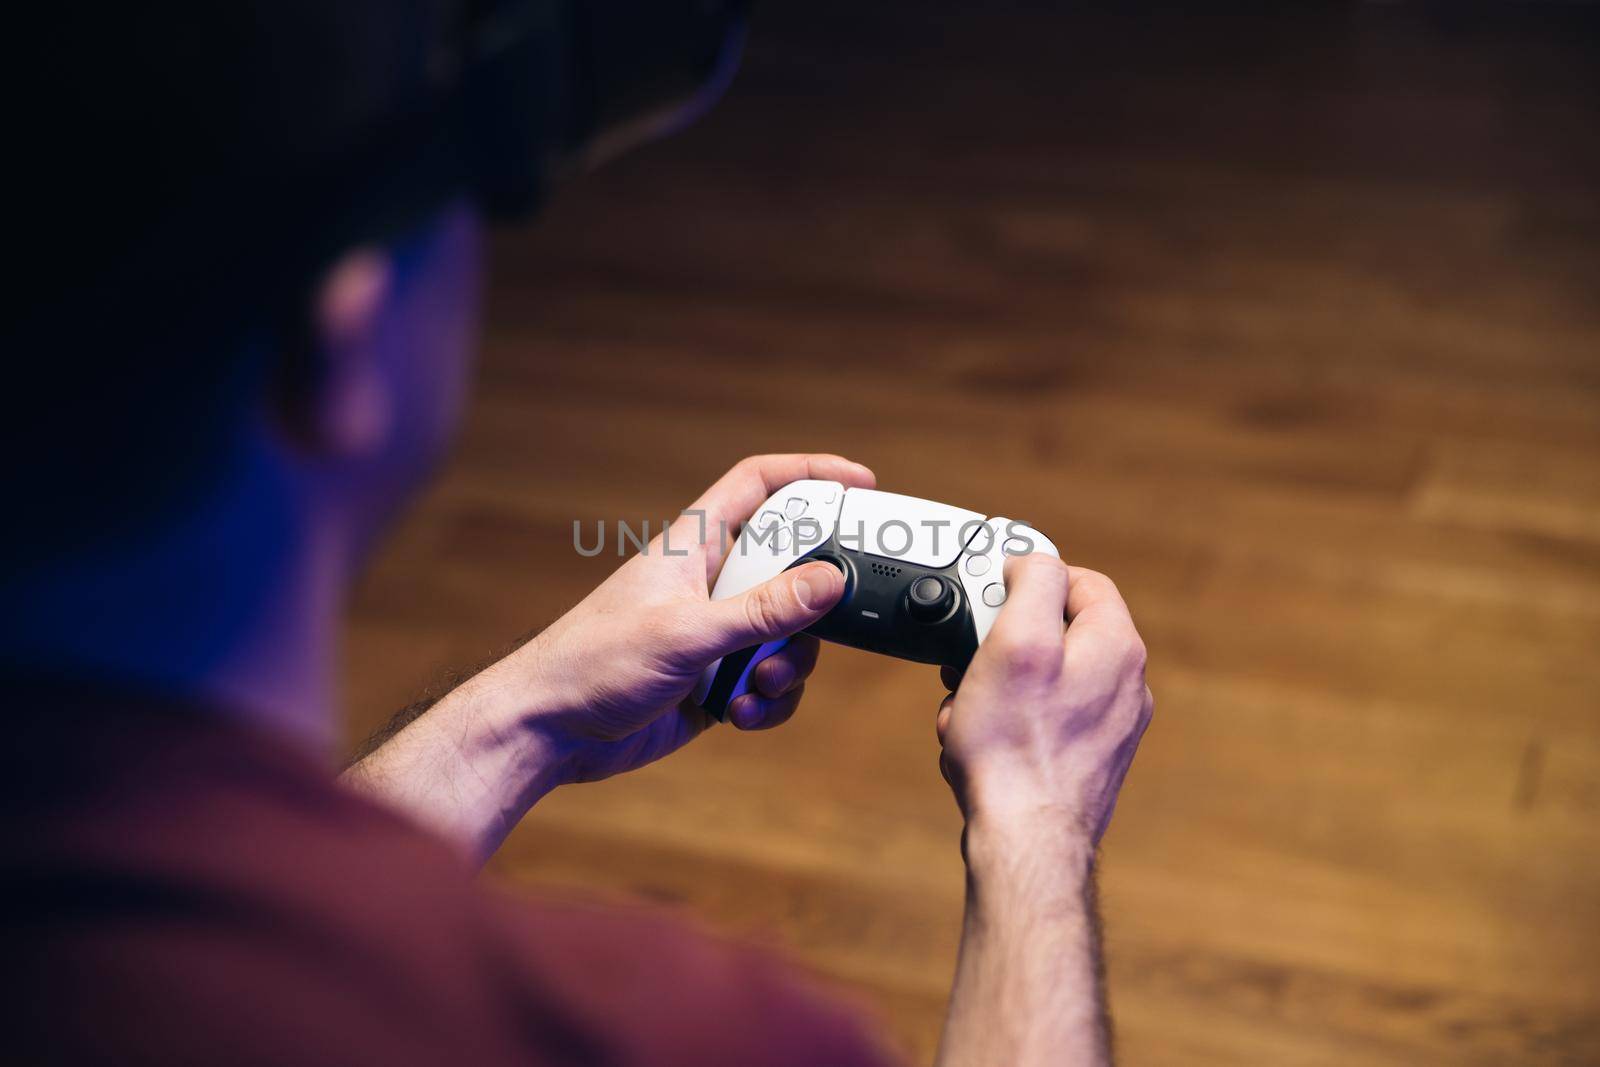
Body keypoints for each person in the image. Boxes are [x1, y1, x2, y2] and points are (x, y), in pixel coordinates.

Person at [2, 5, 1152, 1065]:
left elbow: (237, 927)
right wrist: (1033, 828)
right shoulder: (657, 1031)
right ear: (336, 343)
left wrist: (522, 714)